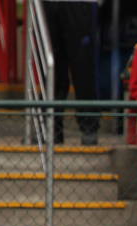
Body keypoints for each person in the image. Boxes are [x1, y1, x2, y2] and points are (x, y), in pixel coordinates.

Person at [43, 0, 100, 145]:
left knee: (83, 68)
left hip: (80, 4)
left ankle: (89, 126)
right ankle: (51, 128)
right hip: (49, 4)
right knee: (53, 70)